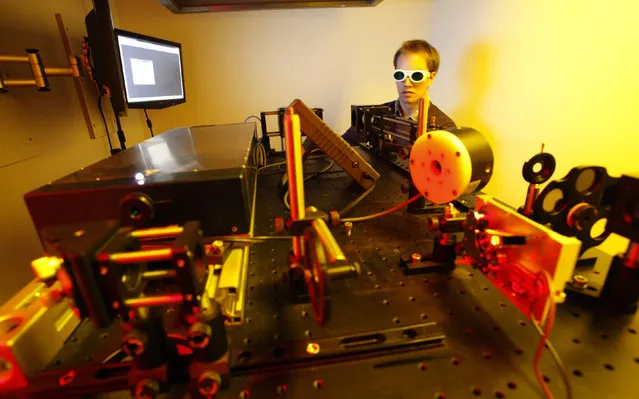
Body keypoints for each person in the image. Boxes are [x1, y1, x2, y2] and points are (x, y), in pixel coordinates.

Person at [343, 39, 456, 145]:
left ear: (431, 77)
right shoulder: (375, 116)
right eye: (400, 75)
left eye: (416, 75)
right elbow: (340, 148)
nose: (406, 83)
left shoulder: (445, 129)